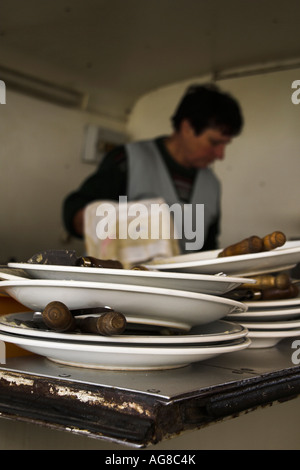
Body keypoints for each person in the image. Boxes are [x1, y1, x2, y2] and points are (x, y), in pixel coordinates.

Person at [63, 83, 243, 252]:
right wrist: (105, 221)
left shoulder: (212, 184)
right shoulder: (127, 160)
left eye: (225, 144)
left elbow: (208, 248)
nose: (221, 155)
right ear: (187, 127)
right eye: (214, 142)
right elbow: (76, 212)